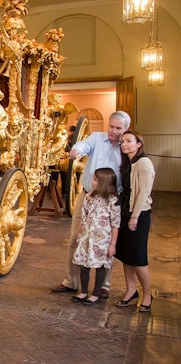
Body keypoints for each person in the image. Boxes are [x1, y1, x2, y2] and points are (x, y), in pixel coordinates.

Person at [51, 111, 131, 298]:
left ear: (125, 128)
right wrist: (77, 150)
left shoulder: (126, 146)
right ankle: (71, 281)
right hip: (87, 197)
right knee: (75, 239)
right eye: (111, 126)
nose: (113, 131)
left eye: (118, 128)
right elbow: (84, 144)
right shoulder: (97, 138)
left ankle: (103, 286)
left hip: (111, 200)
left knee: (106, 244)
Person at [114, 130, 155, 312]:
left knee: (138, 258)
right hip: (124, 212)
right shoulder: (128, 163)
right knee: (126, 255)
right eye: (122, 141)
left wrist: (134, 216)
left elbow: (143, 193)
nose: (124, 144)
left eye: (129, 141)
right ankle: (131, 290)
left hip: (138, 214)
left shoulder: (144, 163)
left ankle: (147, 294)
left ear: (139, 143)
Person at [72, 168, 120, 305]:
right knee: (84, 266)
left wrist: (113, 244)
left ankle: (96, 293)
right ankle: (83, 291)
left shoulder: (113, 201)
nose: (92, 182)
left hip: (102, 241)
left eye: (95, 180)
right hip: (87, 238)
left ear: (103, 182)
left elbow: (115, 224)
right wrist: (79, 235)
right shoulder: (89, 197)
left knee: (100, 267)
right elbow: (84, 217)